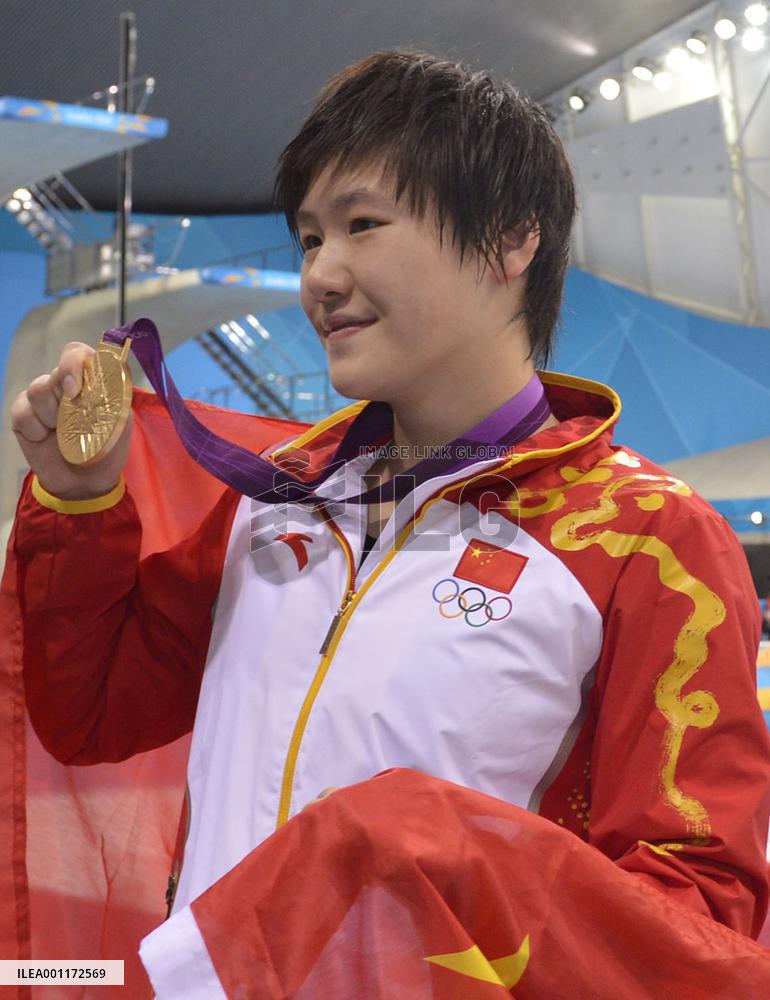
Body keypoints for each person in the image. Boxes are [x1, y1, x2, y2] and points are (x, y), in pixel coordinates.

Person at [9, 50, 770, 997]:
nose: (322, 274)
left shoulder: (647, 540)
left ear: (510, 238)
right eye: (308, 239)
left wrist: (434, 843)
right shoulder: (278, 499)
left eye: (363, 225)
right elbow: (91, 716)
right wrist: (81, 501)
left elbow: (693, 927)